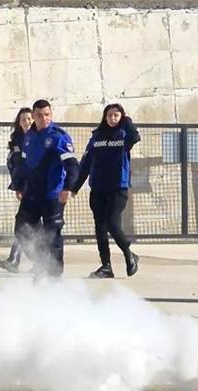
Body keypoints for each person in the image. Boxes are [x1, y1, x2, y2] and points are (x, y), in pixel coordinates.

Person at [69, 103, 141, 279]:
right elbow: (85, 163)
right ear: (105, 117)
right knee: (100, 227)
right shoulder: (96, 136)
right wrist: (75, 187)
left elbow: (135, 135)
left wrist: (128, 121)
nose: (113, 118)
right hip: (98, 188)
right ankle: (106, 266)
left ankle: (129, 253)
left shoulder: (124, 135)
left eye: (117, 115)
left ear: (121, 117)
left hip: (118, 188)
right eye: (110, 115)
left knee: (112, 223)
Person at [10, 99, 79, 278]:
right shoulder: (28, 137)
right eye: (39, 115)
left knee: (52, 236)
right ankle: (41, 262)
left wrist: (68, 188)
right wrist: (18, 185)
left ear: (51, 115)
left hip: (52, 195)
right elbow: (24, 165)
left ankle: (54, 277)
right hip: (31, 194)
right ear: (33, 116)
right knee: (21, 230)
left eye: (47, 115)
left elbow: (72, 165)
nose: (43, 118)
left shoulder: (59, 137)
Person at [0, 107, 32, 274]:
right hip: (25, 188)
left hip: (38, 188)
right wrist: (17, 186)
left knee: (26, 226)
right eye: (23, 119)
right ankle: (16, 260)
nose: (27, 122)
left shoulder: (38, 138)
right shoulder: (17, 141)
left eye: (29, 118)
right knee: (23, 226)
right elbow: (14, 165)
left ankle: (22, 260)